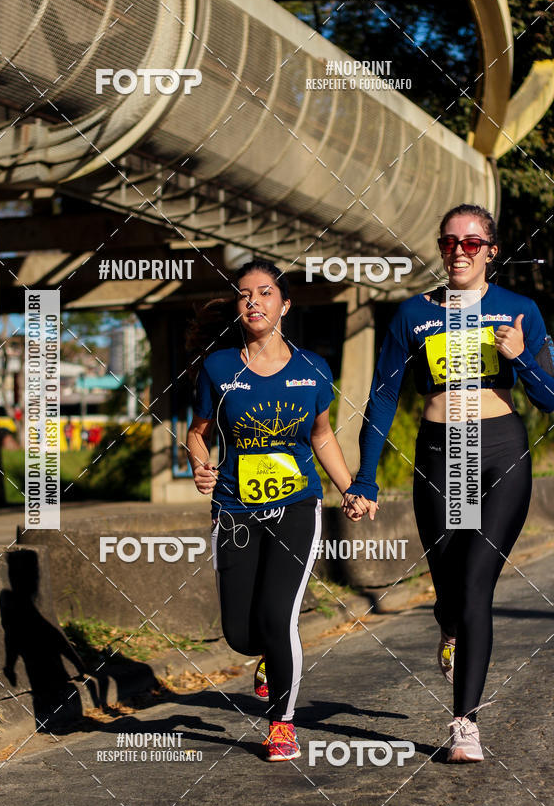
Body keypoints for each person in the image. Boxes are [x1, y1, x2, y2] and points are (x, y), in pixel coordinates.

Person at [342, 204, 554, 762]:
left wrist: (523, 358)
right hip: (443, 459)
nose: (459, 252)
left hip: (501, 452)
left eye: (471, 242)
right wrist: (364, 478)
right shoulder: (412, 314)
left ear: (490, 250)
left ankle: (465, 724)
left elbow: (550, 399)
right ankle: (449, 626)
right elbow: (384, 397)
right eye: (449, 243)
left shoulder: (519, 310)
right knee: (453, 591)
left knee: (479, 580)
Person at [186, 260, 354, 761]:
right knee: (240, 633)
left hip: (297, 503)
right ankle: (265, 657)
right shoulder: (218, 368)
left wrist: (350, 488)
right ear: (238, 308)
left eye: (264, 293)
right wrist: (201, 467)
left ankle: (282, 722)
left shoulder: (313, 369)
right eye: (244, 295)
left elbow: (322, 436)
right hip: (235, 507)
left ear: (285, 305)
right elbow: (198, 433)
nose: (253, 301)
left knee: (278, 616)